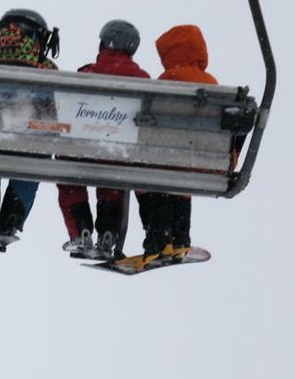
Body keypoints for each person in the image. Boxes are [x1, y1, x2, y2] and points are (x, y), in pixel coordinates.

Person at [56, 19, 151, 259]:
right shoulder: (144, 80)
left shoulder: (86, 74)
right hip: (119, 154)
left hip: (82, 151)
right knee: (114, 183)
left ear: (102, 43)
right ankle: (108, 232)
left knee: (70, 179)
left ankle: (81, 231)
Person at [0, 9, 61, 243]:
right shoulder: (46, 69)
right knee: (34, 163)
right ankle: (11, 220)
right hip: (30, 146)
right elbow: (58, 113)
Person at [136, 24, 219, 256]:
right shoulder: (212, 83)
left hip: (167, 159)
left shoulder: (168, 79)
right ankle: (180, 238)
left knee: (152, 180)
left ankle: (157, 237)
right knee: (180, 184)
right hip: (203, 161)